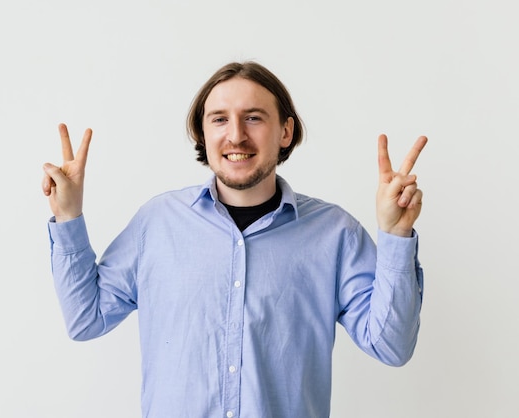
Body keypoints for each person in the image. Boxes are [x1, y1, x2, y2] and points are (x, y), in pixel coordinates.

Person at [41, 61, 427, 418]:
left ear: (285, 131)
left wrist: (396, 235)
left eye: (254, 118)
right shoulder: (156, 224)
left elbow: (390, 346)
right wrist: (68, 216)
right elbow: (85, 319)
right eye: (220, 119)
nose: (236, 135)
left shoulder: (335, 233)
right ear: (202, 132)